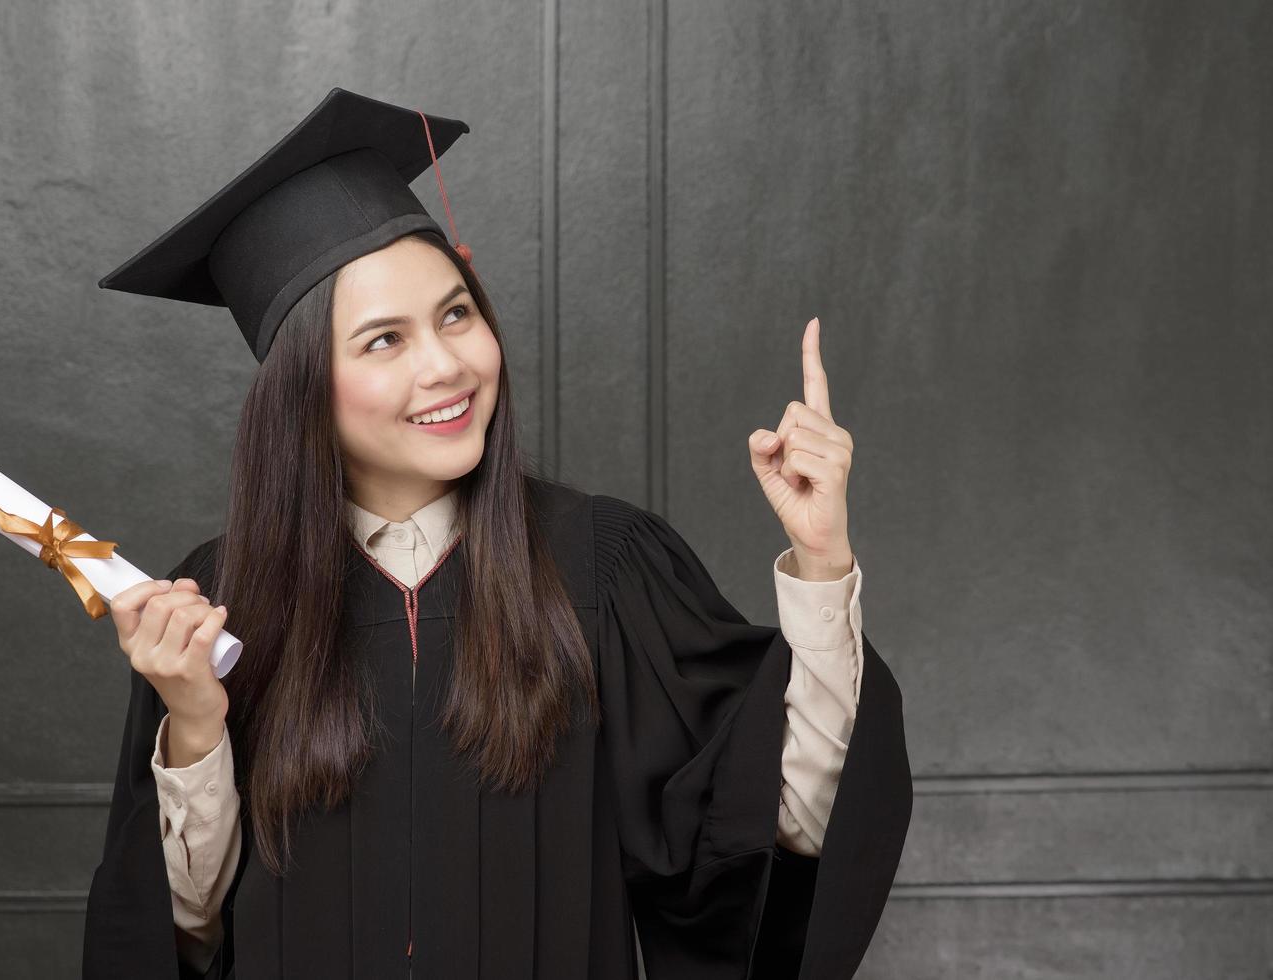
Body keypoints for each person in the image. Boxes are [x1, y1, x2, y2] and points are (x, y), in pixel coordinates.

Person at [82, 87, 911, 980]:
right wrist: (197, 725)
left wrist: (823, 562)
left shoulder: (604, 571)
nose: (445, 366)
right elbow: (179, 940)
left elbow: (770, 835)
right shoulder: (213, 610)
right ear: (303, 393)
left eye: (455, 314)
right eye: (382, 341)